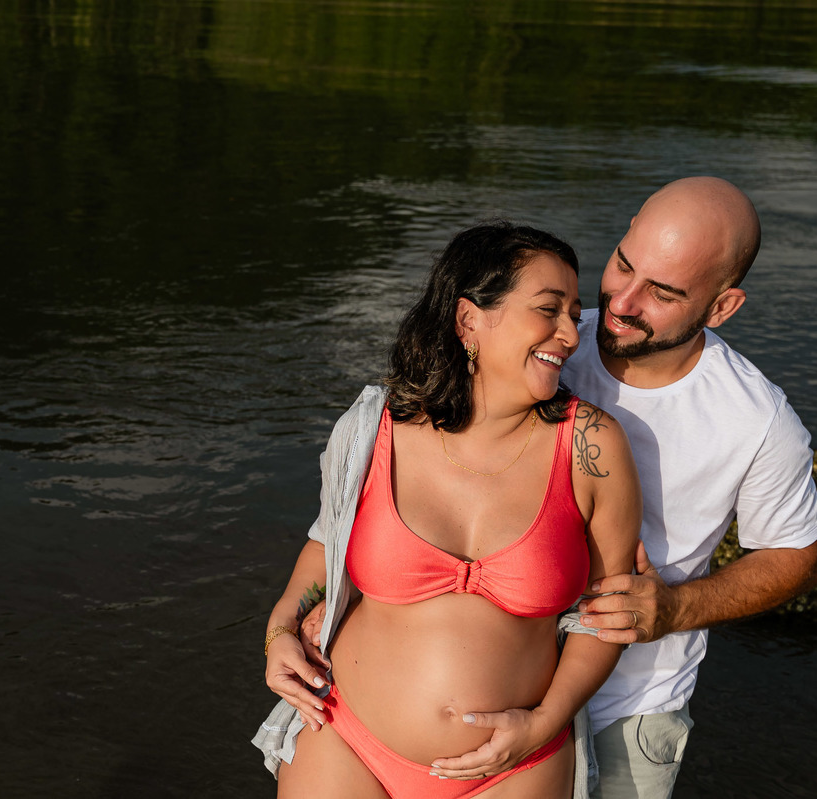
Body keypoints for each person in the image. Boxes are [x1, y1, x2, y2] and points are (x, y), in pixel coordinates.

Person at [431, 177, 817, 798]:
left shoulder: (756, 420)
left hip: (628, 710)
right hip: (482, 686)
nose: (620, 302)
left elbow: (799, 555)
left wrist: (677, 609)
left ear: (721, 308)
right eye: (622, 263)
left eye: (662, 293)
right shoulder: (541, 343)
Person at [252, 222, 642, 798]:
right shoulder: (374, 427)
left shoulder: (592, 447)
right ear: (468, 320)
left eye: (575, 313)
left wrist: (545, 721)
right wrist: (280, 631)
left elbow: (608, 613)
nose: (570, 333)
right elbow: (327, 543)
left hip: (515, 766)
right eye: (549, 309)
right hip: (344, 737)